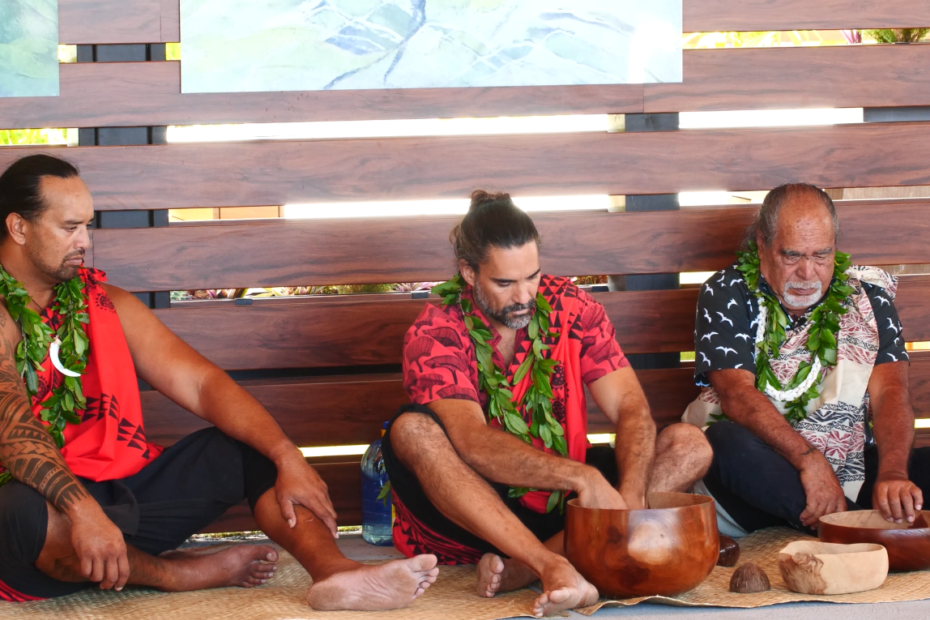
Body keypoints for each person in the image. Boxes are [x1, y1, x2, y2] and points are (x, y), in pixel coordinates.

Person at [0, 154, 438, 607]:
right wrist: (81, 510)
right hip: (37, 527)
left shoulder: (106, 303)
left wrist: (287, 455)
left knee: (249, 444)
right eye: (69, 227)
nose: (85, 241)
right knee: (22, 512)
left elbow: (203, 386)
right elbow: (13, 432)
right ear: (19, 228)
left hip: (117, 502)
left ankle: (337, 573)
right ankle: (173, 573)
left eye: (88, 226)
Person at [380, 191, 713, 618]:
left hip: (565, 508)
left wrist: (626, 502)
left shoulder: (572, 305)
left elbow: (630, 407)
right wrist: (584, 478)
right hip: (472, 512)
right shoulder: (436, 331)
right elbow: (472, 443)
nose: (523, 296)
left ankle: (525, 566)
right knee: (411, 430)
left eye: (531, 276)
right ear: (467, 271)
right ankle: (550, 563)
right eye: (505, 283)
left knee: (690, 443)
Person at [683, 183, 930, 536]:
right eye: (792, 255)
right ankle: (854, 530)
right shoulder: (727, 292)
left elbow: (891, 393)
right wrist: (808, 461)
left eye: (821, 255)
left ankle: (846, 522)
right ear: (761, 243)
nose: (807, 273)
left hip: (849, 470)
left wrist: (892, 474)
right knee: (724, 442)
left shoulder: (870, 301)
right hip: (757, 482)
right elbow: (737, 396)